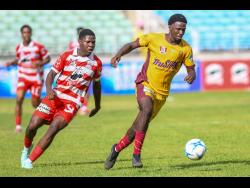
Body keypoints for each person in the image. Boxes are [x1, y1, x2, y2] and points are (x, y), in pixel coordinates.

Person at [104, 14, 196, 169]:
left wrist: (191, 75)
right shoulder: (153, 38)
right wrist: (118, 54)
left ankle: (116, 149)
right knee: (146, 109)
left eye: (183, 29)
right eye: (178, 29)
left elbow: (191, 69)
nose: (181, 32)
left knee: (137, 127)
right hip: (144, 83)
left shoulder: (185, 49)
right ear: (170, 27)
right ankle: (136, 156)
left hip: (162, 94)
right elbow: (132, 45)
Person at [20, 29, 102, 169]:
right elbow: (51, 75)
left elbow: (97, 85)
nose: (91, 44)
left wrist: (97, 105)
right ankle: (26, 150)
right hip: (55, 96)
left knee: (54, 128)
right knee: (32, 125)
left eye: (93, 42)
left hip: (72, 102)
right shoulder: (67, 56)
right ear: (80, 42)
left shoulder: (96, 63)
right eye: (88, 41)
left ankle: (29, 161)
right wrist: (49, 90)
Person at [5, 25, 51, 133]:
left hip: (36, 78)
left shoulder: (38, 47)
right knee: (19, 98)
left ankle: (48, 109)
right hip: (23, 77)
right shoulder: (18, 47)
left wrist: (41, 62)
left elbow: (47, 58)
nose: (26, 34)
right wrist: (11, 62)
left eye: (28, 32)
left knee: (35, 104)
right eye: (24, 32)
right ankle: (18, 125)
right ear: (21, 34)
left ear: (31, 33)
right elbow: (20, 60)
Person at [68, 26, 90, 115]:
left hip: (86, 67)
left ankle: (84, 107)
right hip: (75, 68)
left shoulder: (88, 43)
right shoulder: (73, 43)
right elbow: (69, 55)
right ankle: (73, 106)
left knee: (86, 88)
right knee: (73, 87)